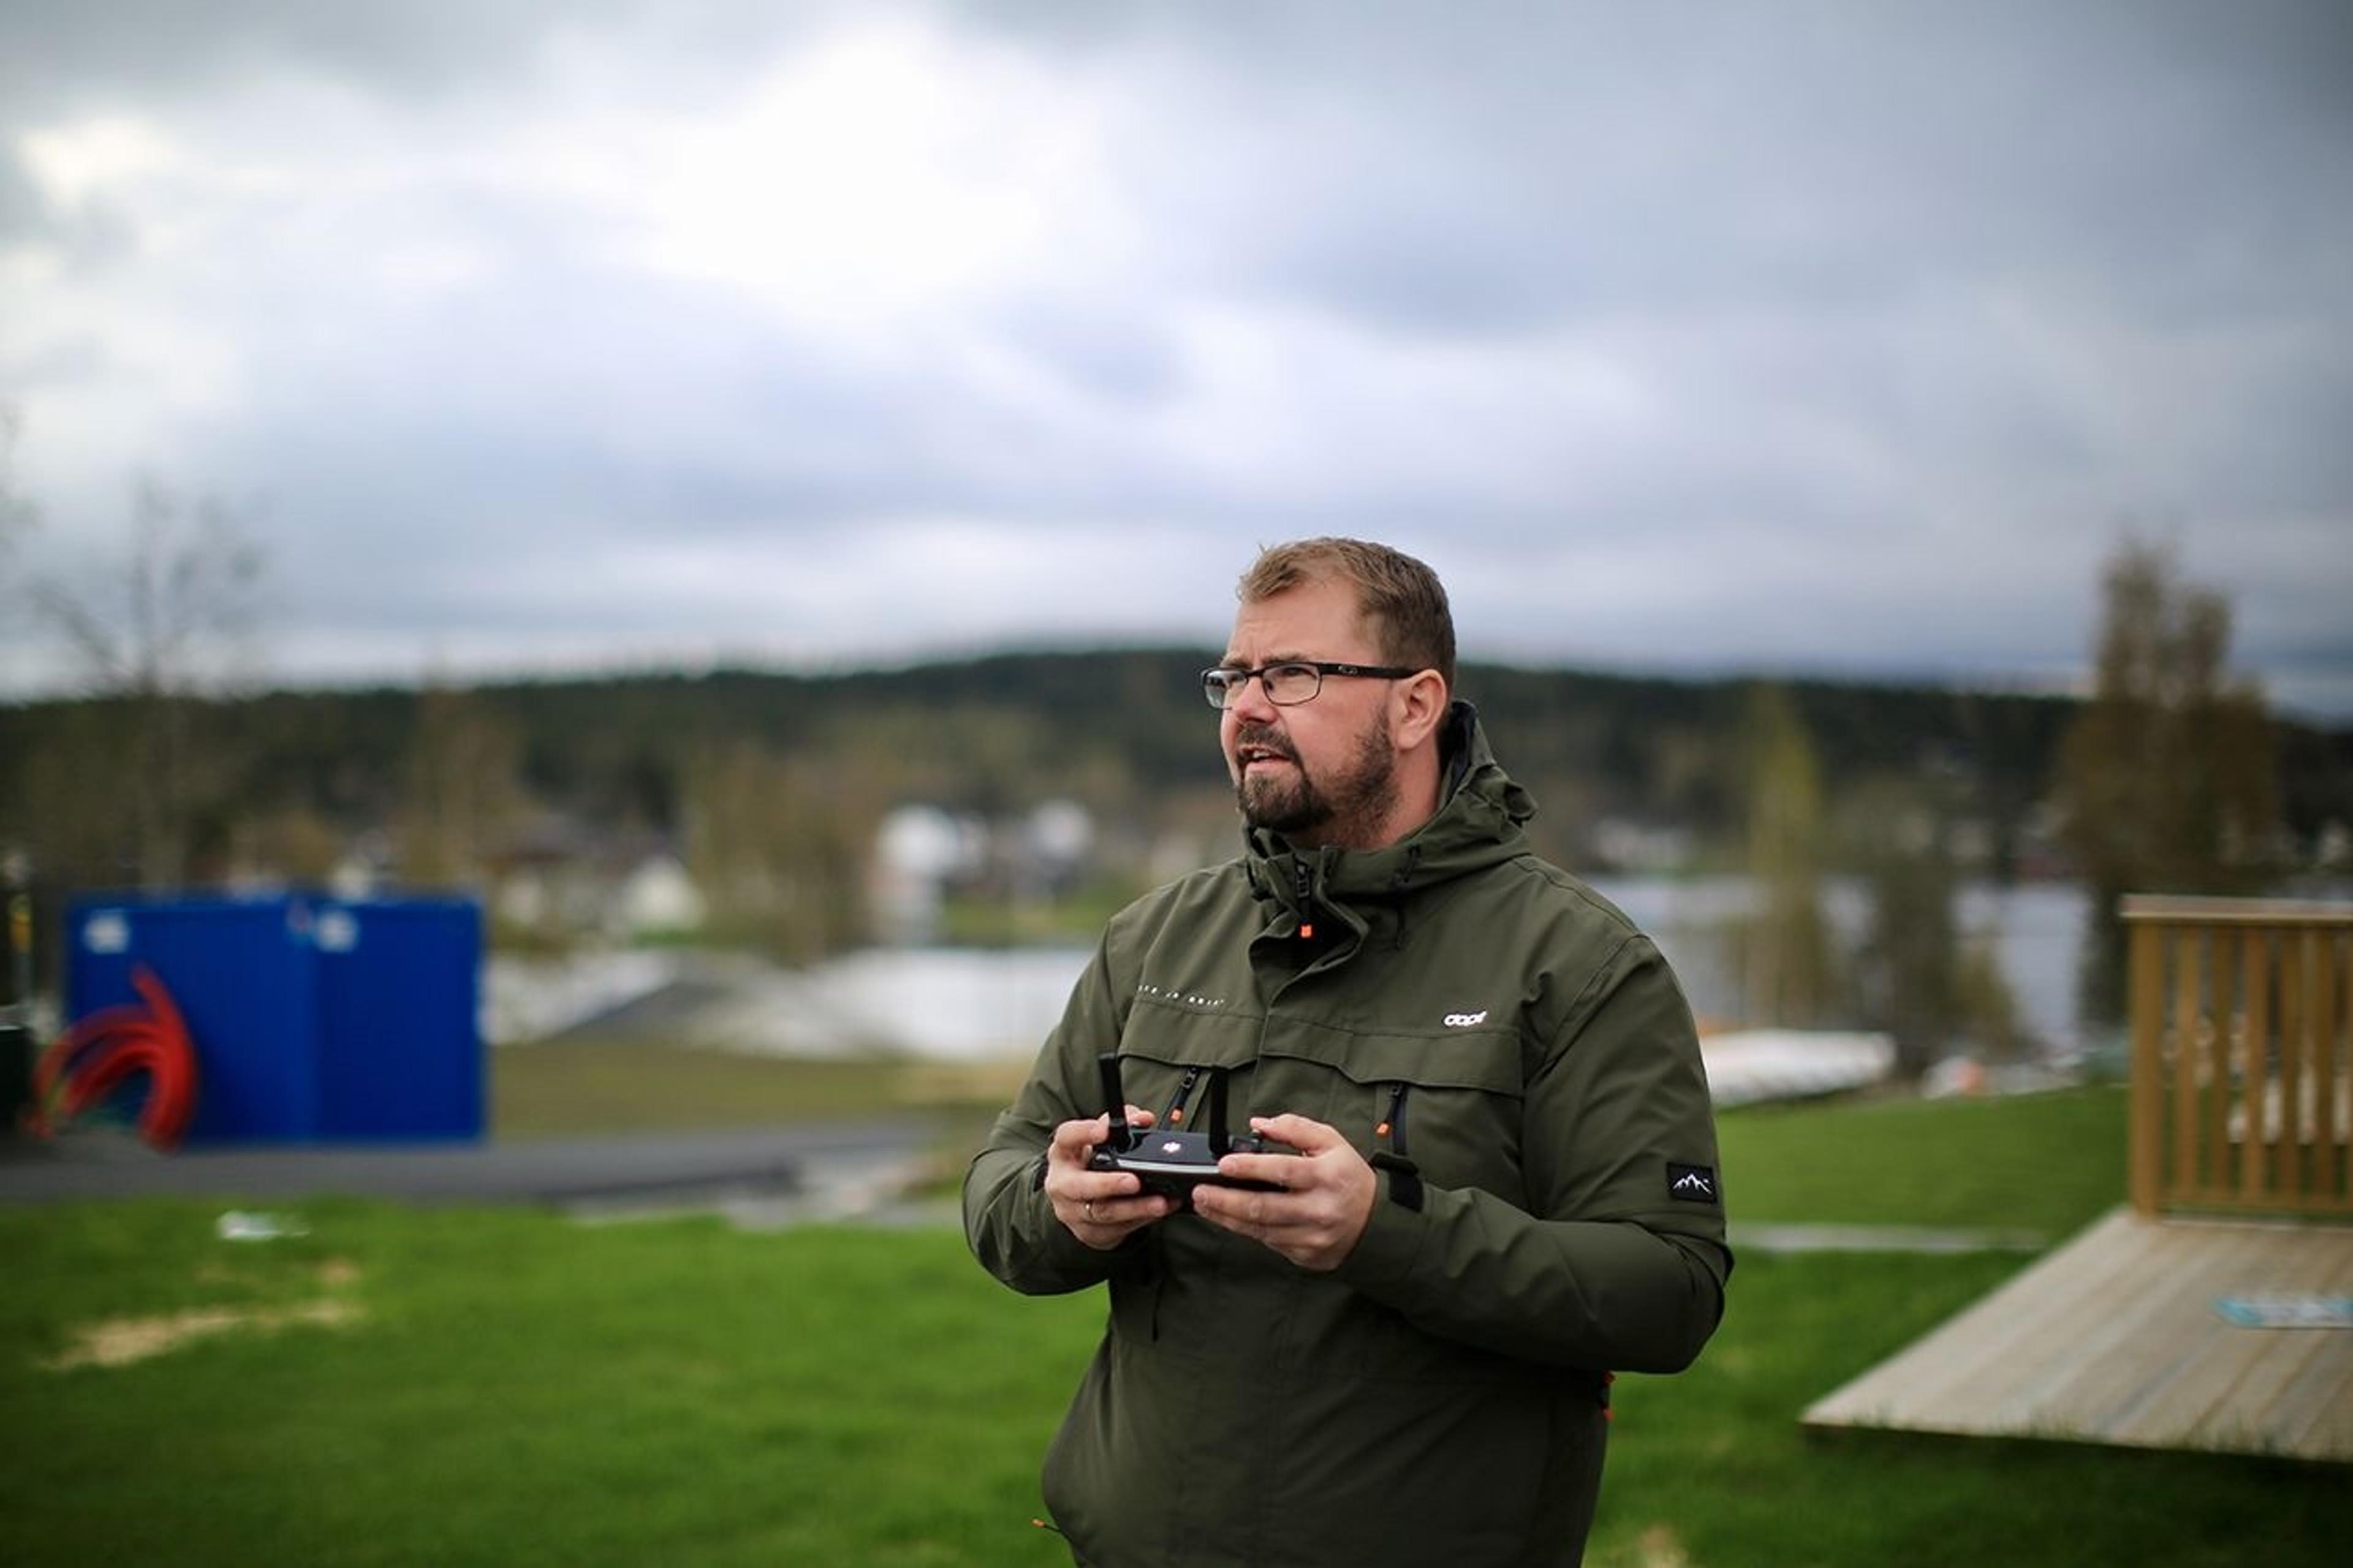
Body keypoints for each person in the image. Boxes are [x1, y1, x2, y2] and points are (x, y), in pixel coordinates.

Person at [964, 537, 1730, 1566]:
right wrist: (1060, 1209)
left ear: (1415, 707)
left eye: (1293, 674)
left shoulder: (1581, 967)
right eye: (1233, 678)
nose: (1246, 710)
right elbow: (1000, 1179)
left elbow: (1669, 1290)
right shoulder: (1153, 941)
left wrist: (1388, 1230)